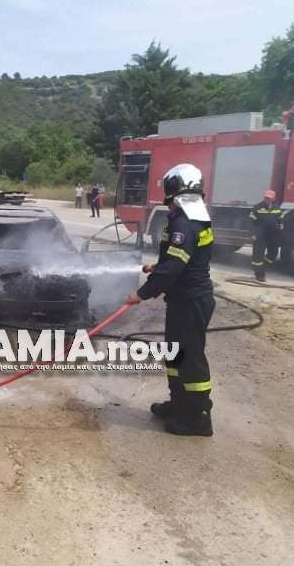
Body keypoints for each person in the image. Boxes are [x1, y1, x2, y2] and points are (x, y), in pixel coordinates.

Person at [125, 163, 215, 437]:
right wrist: (159, 266)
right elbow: (180, 259)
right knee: (175, 354)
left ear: (174, 189)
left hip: (191, 300)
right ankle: (180, 405)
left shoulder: (184, 221)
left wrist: (141, 294)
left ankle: (198, 418)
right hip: (183, 299)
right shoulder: (193, 216)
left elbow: (175, 267)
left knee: (190, 358)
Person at [249, 190, 283, 282]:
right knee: (258, 256)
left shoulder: (277, 209)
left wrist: (280, 225)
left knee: (273, 254)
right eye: (266, 198)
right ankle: (259, 275)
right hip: (260, 235)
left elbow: (280, 220)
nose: (267, 199)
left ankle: (262, 266)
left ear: (273, 199)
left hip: (272, 235)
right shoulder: (257, 207)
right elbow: (251, 222)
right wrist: (253, 234)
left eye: (269, 198)